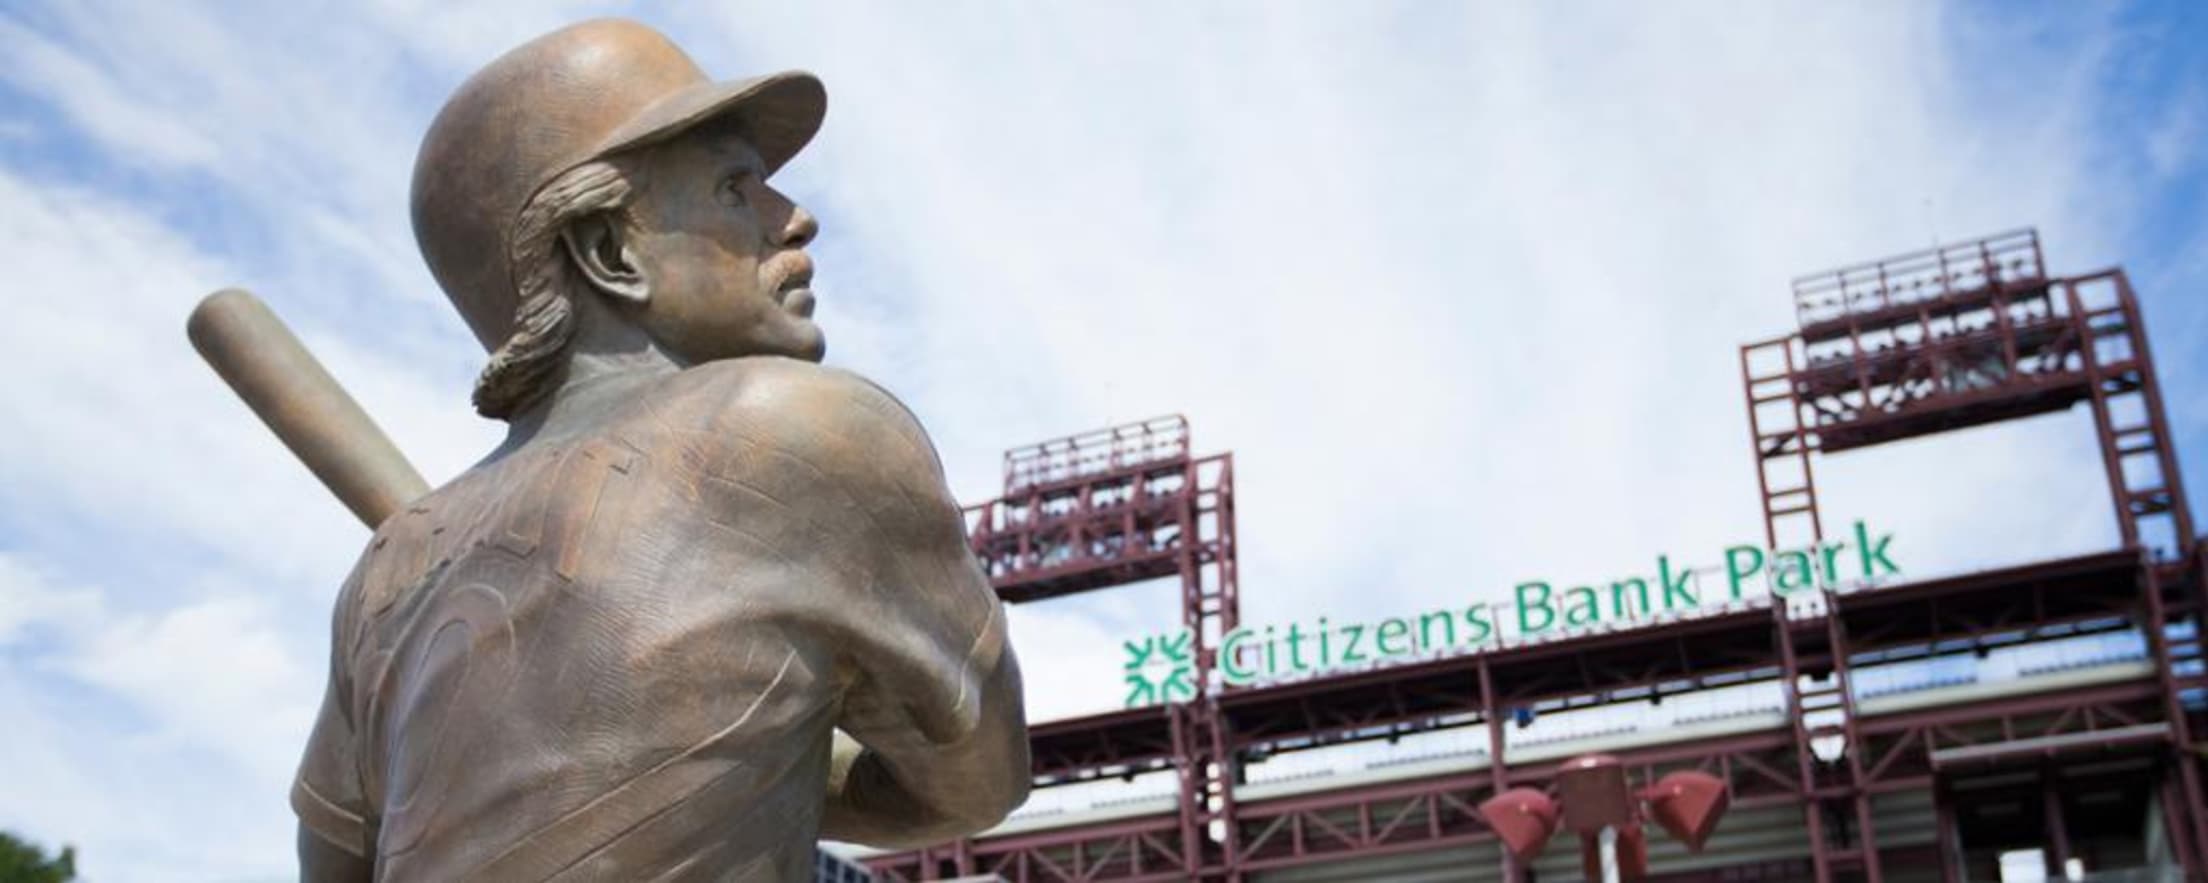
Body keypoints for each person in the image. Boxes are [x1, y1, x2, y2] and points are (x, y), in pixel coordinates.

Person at [290, 19, 1029, 881]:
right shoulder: (799, 430)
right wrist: (767, 737)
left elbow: (335, 864)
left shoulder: (389, 566)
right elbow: (977, 782)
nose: (795, 219)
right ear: (609, 252)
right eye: (734, 187)